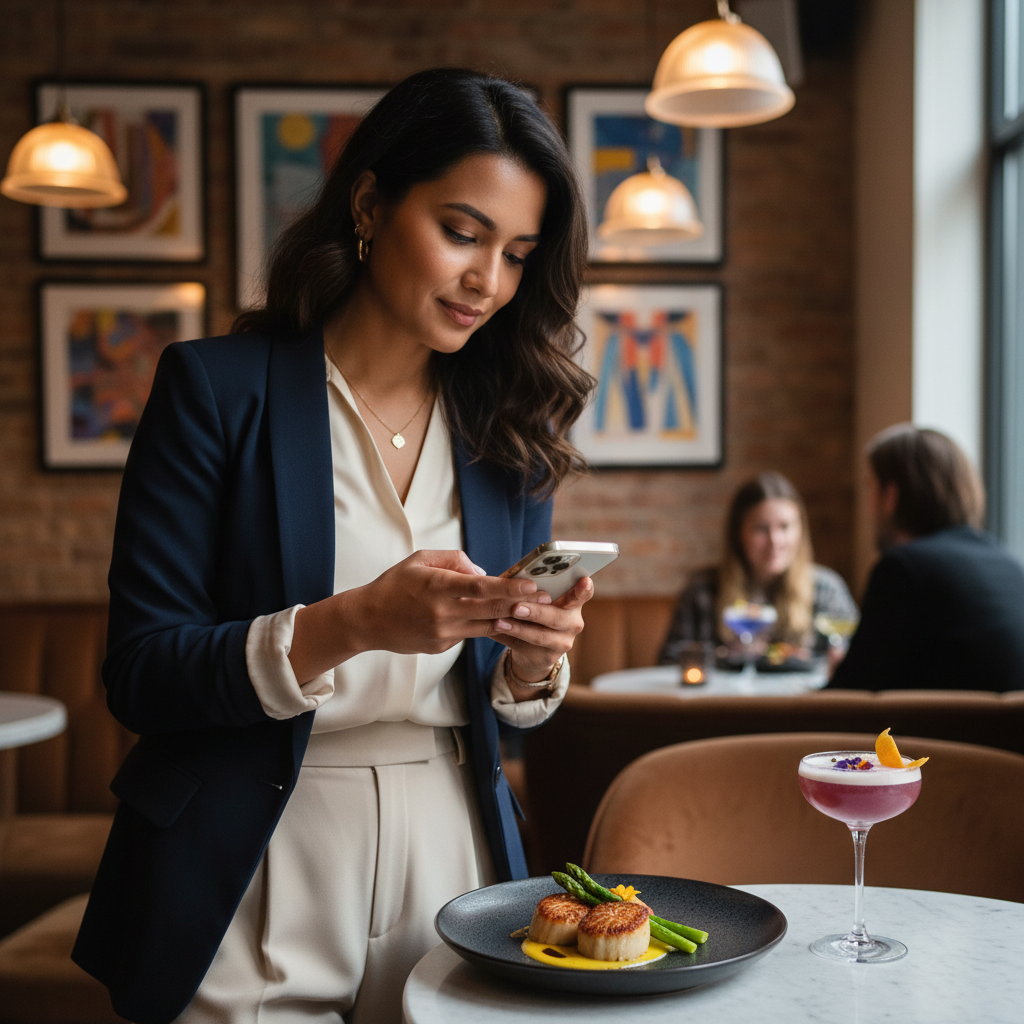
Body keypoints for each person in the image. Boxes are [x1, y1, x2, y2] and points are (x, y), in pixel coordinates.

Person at [72, 68, 597, 1024]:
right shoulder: (216, 392)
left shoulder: (511, 423)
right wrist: (353, 622)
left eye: (519, 253)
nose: (489, 280)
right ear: (369, 203)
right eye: (462, 232)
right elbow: (142, 673)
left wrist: (530, 665)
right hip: (255, 846)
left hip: (453, 844)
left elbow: (506, 711)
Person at [829, 424, 1024, 691]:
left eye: (869, 487)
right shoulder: (1008, 564)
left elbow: (850, 697)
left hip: (946, 733)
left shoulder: (902, 569)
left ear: (890, 496)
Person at [659, 471, 857, 667]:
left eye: (785, 527)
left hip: (801, 698)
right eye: (761, 529)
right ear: (739, 533)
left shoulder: (827, 590)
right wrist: (724, 657)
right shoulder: (702, 591)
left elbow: (860, 659)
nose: (775, 541)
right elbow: (668, 663)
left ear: (801, 531)